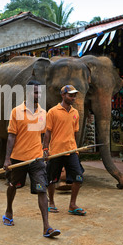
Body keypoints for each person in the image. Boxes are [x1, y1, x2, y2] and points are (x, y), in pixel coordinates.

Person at [2, 80, 60, 238]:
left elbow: (42, 134)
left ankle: (46, 227)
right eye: (35, 92)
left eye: (39, 92)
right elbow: (11, 137)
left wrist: (45, 149)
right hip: (18, 159)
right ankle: (8, 210)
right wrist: (7, 159)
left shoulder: (42, 113)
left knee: (42, 189)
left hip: (36, 159)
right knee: (13, 185)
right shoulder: (16, 112)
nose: (38, 95)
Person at [42, 85, 86, 216]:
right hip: (56, 151)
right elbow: (47, 132)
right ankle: (51, 203)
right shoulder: (53, 112)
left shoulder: (75, 113)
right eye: (70, 95)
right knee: (52, 179)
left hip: (71, 151)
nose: (73, 98)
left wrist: (75, 148)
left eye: (74, 95)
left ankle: (72, 205)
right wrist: (45, 149)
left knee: (78, 177)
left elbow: (75, 133)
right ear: (63, 95)